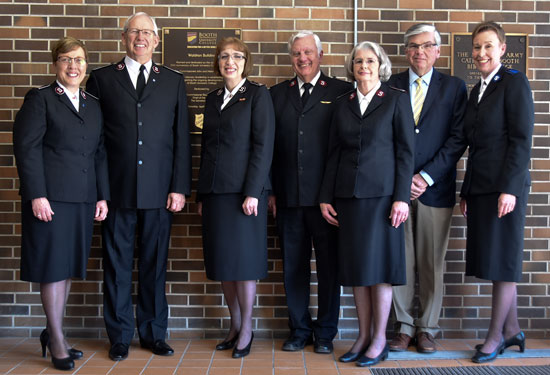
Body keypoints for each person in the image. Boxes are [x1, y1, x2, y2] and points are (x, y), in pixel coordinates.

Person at [86, 12, 191, 360]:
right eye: (134, 32)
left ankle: (153, 333)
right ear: (124, 37)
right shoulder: (101, 79)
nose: (140, 38)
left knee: (154, 264)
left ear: (157, 40)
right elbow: (95, 142)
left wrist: (179, 187)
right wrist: (100, 190)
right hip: (117, 191)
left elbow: (181, 140)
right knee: (115, 265)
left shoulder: (174, 81)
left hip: (160, 192)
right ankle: (119, 335)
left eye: (147, 32)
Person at [13, 37, 109, 371]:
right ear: (56, 64)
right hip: (50, 201)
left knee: (66, 269)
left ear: (86, 65)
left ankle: (56, 333)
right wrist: (37, 194)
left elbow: (98, 153)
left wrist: (101, 195)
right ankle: (55, 340)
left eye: (79, 60)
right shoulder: (40, 99)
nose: (73, 66)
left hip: (81, 200)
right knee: (52, 270)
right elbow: (27, 149)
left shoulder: (92, 103)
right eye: (66, 59)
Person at [319, 41, 414, 367]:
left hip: (384, 200)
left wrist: (402, 197)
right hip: (349, 199)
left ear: (380, 65)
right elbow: (333, 153)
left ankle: (378, 340)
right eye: (358, 61)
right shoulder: (342, 103)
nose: (364, 66)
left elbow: (406, 154)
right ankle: (361, 336)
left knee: (380, 272)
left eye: (370, 60)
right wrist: (325, 197)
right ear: (352, 67)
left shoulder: (396, 101)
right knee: (358, 271)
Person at [269, 30, 352, 354]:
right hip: (288, 198)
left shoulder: (341, 91)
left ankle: (326, 333)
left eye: (307, 53)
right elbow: (271, 148)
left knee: (329, 268)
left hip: (326, 200)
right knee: (293, 268)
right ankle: (299, 329)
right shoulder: (277, 94)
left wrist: (334, 195)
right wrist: (273, 191)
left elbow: (344, 148)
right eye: (296, 54)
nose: (302, 59)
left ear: (320, 55)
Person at [387, 23, 467, 353]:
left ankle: (427, 328)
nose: (419, 51)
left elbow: (458, 137)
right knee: (400, 260)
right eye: (413, 46)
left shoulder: (454, 87)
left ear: (438, 50)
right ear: (406, 52)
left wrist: (425, 177)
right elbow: (383, 137)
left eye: (426, 45)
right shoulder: (390, 86)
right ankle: (404, 326)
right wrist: (403, 180)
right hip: (398, 192)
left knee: (432, 261)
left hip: (436, 189)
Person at [460, 21, 534, 364]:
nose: (481, 53)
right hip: (481, 188)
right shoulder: (476, 91)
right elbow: (473, 146)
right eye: (477, 47)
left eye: (488, 46)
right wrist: (466, 191)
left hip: (504, 189)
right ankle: (512, 330)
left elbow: (521, 140)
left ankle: (494, 338)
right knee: (495, 259)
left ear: (502, 49)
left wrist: (510, 189)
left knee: (503, 263)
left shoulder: (514, 83)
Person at [197, 37, 275, 359]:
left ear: (246, 61)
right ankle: (234, 324)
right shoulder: (212, 98)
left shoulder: (257, 95)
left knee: (244, 266)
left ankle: (247, 329)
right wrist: (202, 194)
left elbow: (263, 146)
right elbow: (206, 149)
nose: (231, 61)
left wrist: (253, 192)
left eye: (237, 56)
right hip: (216, 195)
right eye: (225, 56)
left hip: (245, 196)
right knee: (224, 265)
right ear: (217, 62)